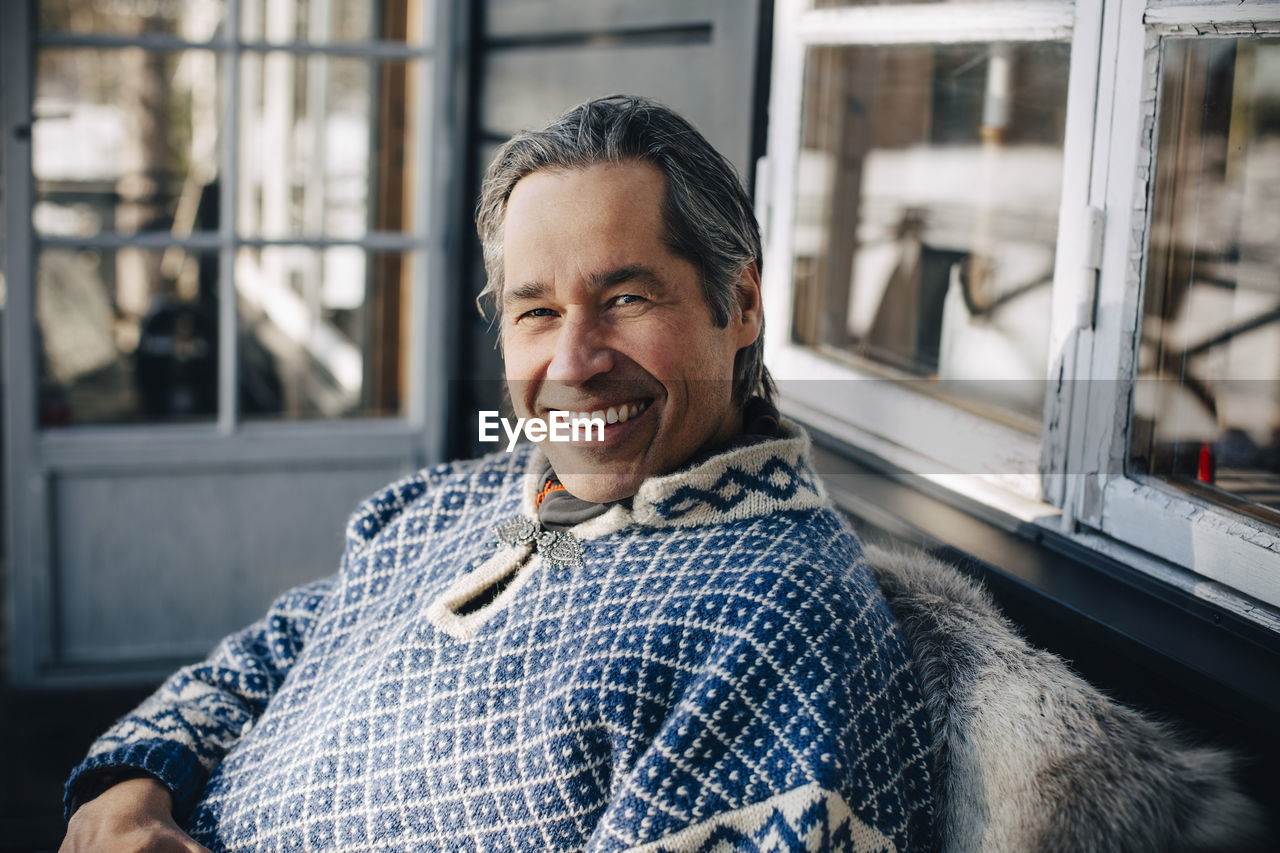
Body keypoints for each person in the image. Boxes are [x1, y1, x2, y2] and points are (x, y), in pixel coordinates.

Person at [60, 95, 935, 852]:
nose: (575, 360)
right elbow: (278, 647)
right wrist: (131, 790)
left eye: (625, 300)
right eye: (537, 310)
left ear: (739, 304)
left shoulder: (777, 624)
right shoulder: (468, 495)